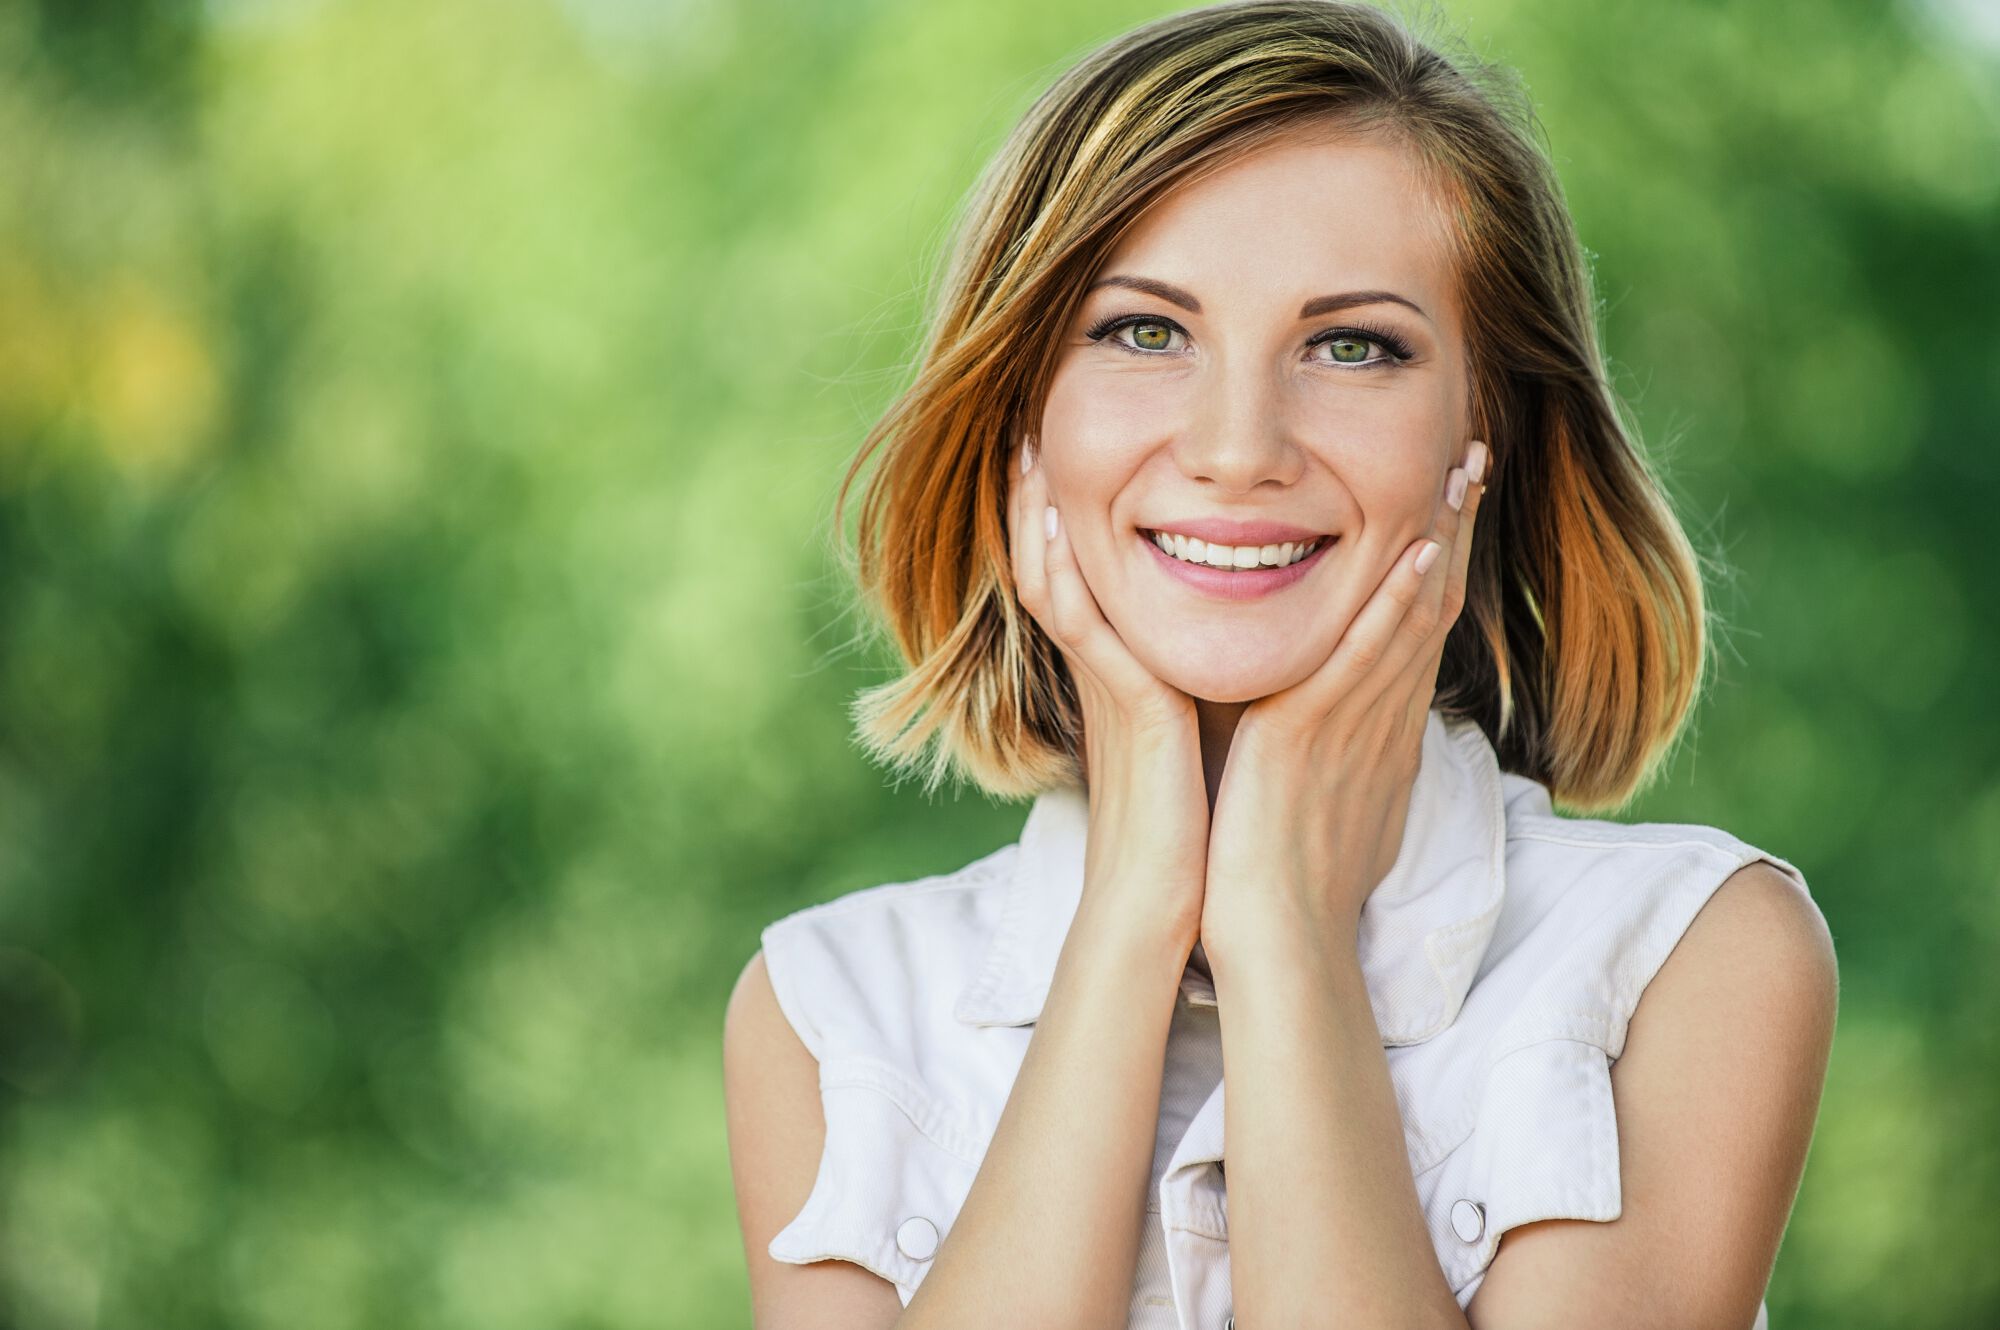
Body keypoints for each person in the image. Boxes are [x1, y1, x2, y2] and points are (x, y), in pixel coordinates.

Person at [723, 3, 1838, 1327]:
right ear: (1023, 418)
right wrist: (1136, 902)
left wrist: (1284, 925)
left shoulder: (1691, 958)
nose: (1238, 448)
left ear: (1486, 436)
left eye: (1352, 346)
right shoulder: (828, 1011)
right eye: (1145, 332)